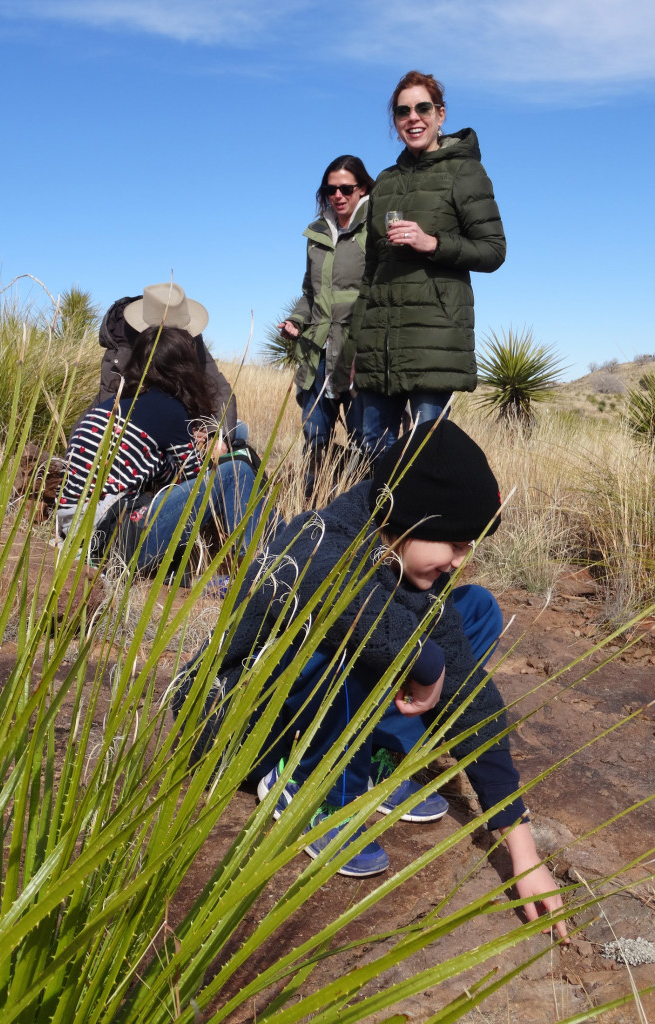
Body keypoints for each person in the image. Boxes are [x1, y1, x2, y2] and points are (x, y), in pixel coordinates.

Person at [174, 420, 567, 939]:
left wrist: (520, 845)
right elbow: (357, 612)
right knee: (361, 633)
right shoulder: (318, 543)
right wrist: (425, 667)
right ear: (402, 517)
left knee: (474, 610)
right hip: (239, 725)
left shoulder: (409, 560)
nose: (460, 557)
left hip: (310, 709)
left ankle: (373, 757)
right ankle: (312, 790)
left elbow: (469, 693)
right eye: (451, 541)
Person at [349, 71, 506, 457]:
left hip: (435, 340)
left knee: (424, 457)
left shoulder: (464, 171)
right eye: (403, 111)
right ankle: (380, 521)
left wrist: (432, 243)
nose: (413, 118)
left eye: (422, 108)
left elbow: (493, 250)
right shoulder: (384, 182)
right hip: (380, 347)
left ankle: (423, 520)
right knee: (373, 449)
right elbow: (370, 272)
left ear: (440, 114)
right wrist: (358, 346)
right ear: (396, 121)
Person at [57, 323, 260, 575]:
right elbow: (194, 478)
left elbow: (160, 473)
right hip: (113, 538)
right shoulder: (168, 409)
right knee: (236, 471)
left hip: (78, 531)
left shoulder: (115, 403)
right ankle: (269, 561)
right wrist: (207, 451)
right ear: (183, 369)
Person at [278, 156, 375, 496]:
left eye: (346, 188)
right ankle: (310, 512)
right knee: (315, 439)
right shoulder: (317, 234)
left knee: (367, 441)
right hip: (318, 351)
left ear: (362, 188)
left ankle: (367, 518)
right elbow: (310, 292)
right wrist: (295, 320)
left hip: (359, 352)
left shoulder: (375, 227)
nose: (338, 195)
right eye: (330, 189)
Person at [94, 282, 241, 448]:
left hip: (177, 426)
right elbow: (119, 420)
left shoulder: (190, 338)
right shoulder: (122, 354)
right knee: (239, 469)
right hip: (137, 443)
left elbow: (221, 390)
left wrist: (215, 435)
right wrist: (182, 435)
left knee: (238, 429)